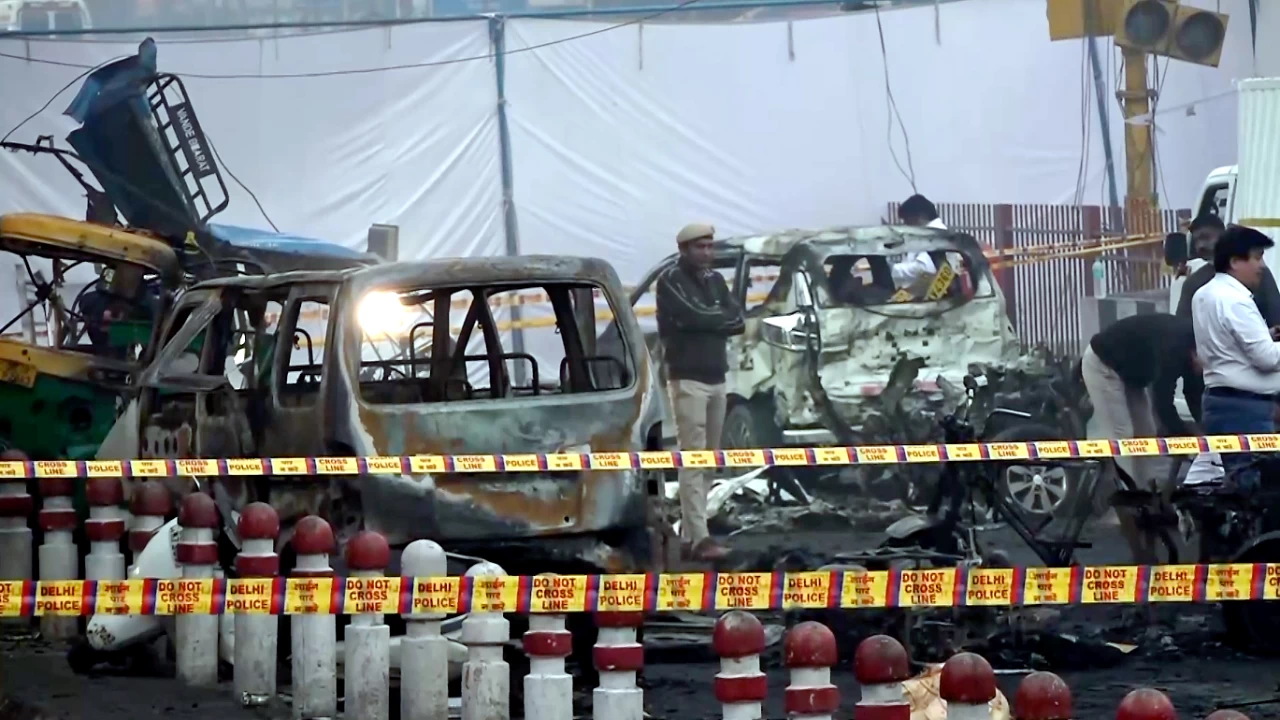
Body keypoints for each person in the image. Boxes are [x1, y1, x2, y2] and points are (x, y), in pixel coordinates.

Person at [1080, 312, 1202, 563]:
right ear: (1195, 354)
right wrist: (1182, 433)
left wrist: (1203, 430)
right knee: (1124, 438)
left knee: (1146, 435)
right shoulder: (1176, 345)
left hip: (1131, 373)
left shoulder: (1197, 348)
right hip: (1104, 365)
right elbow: (1163, 401)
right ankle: (1127, 507)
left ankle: (1148, 498)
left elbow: (1193, 392)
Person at [656, 223, 745, 561]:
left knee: (710, 458)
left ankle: (693, 532)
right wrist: (715, 318)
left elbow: (737, 319)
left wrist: (711, 319)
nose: (707, 253)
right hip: (687, 378)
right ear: (684, 250)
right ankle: (700, 537)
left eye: (710, 246)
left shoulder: (716, 281)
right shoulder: (670, 281)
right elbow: (690, 316)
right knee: (692, 456)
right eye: (700, 247)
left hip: (716, 376)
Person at [1192, 225, 1280, 492]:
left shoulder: (1205, 294)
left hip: (1224, 402)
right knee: (1256, 493)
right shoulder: (1236, 300)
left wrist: (1265, 334)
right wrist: (1267, 343)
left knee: (1241, 490)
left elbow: (1227, 344)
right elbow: (1266, 358)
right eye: (1256, 257)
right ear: (1234, 262)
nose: (1262, 266)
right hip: (1246, 409)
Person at [1177, 214, 1280, 326]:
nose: (1200, 245)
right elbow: (1182, 329)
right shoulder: (1193, 283)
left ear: (1223, 236)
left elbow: (1276, 318)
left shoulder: (1256, 273)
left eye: (1206, 237)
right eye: (1196, 240)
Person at [893, 194, 946, 286]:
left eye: (907, 220)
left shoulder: (935, 235)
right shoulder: (925, 233)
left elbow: (924, 268)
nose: (906, 225)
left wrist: (894, 269)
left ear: (922, 216)